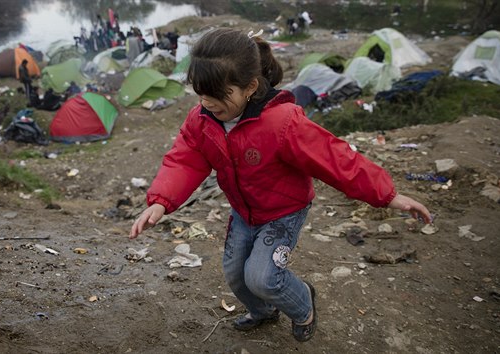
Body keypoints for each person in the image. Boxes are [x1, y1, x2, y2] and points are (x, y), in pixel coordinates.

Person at [129, 28, 432, 343]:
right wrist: (161, 201)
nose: (207, 103)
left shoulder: (283, 122)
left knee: (262, 277)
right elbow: (186, 159)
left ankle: (303, 306)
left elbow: (336, 160)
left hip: (283, 212)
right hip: (244, 212)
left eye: (218, 95)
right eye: (201, 93)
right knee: (236, 275)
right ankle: (263, 313)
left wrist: (388, 194)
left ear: (250, 87)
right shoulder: (202, 118)